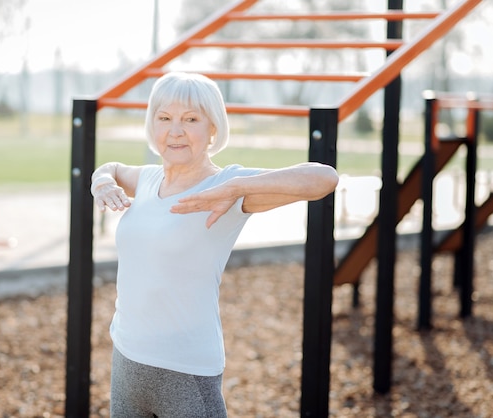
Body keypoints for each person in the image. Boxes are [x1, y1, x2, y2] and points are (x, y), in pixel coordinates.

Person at [90, 71, 339, 417]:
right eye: (164, 118)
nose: (175, 130)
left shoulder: (227, 186)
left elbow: (324, 178)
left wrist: (237, 188)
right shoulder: (147, 179)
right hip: (127, 360)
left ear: (213, 129)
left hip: (186, 371)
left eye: (190, 119)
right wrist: (101, 181)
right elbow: (111, 168)